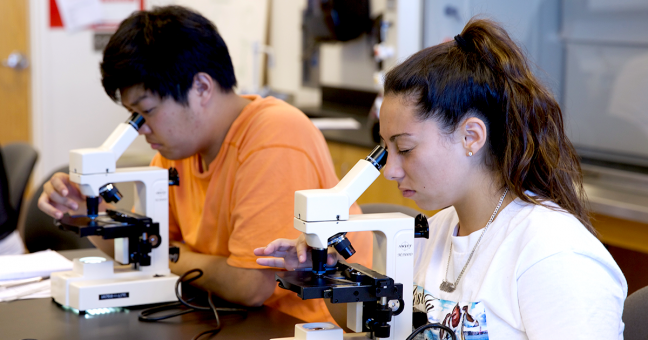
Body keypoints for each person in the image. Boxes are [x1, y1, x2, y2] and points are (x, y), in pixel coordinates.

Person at [255, 18, 627, 339]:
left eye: (405, 149)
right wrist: (324, 273)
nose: (392, 171)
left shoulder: (554, 256)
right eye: (385, 150)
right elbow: (372, 323)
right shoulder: (432, 232)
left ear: (471, 137)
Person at [36, 5, 372, 324]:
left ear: (201, 87)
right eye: (134, 116)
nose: (142, 129)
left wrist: (167, 253)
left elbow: (249, 285)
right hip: (219, 314)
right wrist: (84, 212)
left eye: (147, 111)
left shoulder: (273, 136)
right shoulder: (176, 150)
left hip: (291, 326)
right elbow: (145, 252)